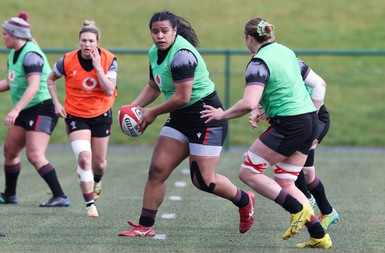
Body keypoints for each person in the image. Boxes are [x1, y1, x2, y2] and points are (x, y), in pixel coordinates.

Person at [118, 10, 255, 237]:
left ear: (175, 31)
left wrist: (151, 113)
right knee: (157, 169)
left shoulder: (182, 55)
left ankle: (244, 199)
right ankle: (145, 226)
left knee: (203, 180)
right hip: (180, 117)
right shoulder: (154, 52)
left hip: (205, 118)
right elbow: (154, 86)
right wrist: (132, 110)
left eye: (164, 31)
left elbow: (182, 97)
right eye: (155, 31)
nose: (159, 36)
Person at [201, 18, 332, 248]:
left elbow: (247, 102)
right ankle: (320, 235)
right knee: (286, 180)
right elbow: (317, 85)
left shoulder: (258, 63)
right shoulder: (287, 52)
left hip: (289, 124)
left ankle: (296, 210)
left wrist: (222, 114)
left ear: (249, 38)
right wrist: (295, 112)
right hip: (311, 120)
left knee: (248, 172)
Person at [47, 20, 118, 218]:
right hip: (76, 115)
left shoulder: (109, 60)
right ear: (79, 42)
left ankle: (97, 180)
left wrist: (97, 67)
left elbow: (109, 89)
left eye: (91, 41)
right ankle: (90, 205)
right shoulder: (67, 60)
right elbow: (50, 80)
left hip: (102, 113)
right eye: (83, 40)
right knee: (84, 158)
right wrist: (56, 103)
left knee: (99, 163)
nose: (87, 44)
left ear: (97, 43)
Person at [0, 12, 70, 207]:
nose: (3, 37)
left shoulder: (31, 55)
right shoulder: (14, 53)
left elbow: (33, 86)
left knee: (34, 154)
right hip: (27, 108)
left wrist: (15, 110)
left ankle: (60, 196)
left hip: (42, 108)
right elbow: (11, 81)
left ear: (15, 35)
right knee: (10, 151)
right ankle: (9, 195)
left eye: (5, 34)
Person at [294, 59, 339, 230]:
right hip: (300, 120)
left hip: (316, 119)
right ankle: (326, 211)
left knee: (296, 165)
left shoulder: (291, 62)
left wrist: (312, 118)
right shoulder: (269, 64)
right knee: (305, 171)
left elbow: (320, 84)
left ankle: (308, 200)